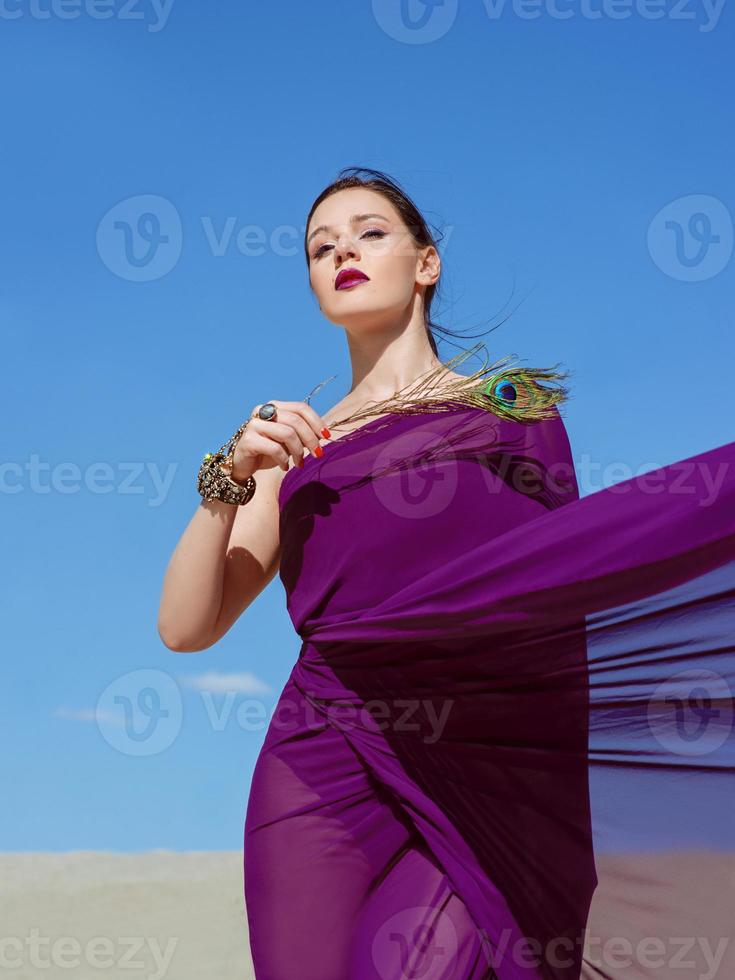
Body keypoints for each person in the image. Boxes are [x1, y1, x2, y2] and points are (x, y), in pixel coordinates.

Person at [158, 168, 735, 980]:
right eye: (320, 247)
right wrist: (230, 474)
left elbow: (563, 590)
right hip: (319, 759)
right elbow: (186, 627)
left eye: (368, 233)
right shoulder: (294, 449)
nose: (341, 253)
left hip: (480, 759)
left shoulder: (510, 411)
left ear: (425, 262)